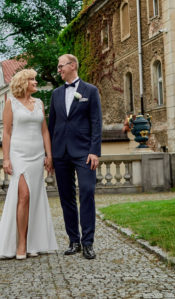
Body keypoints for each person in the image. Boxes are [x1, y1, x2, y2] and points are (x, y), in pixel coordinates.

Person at [0, 69, 58, 259]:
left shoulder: (39, 103)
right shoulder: (11, 102)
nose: (36, 82)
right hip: (18, 154)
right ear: (23, 82)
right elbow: (6, 132)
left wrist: (49, 155)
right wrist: (6, 158)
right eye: (32, 79)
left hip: (37, 155)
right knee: (24, 196)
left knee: (35, 197)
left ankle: (32, 243)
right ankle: (21, 242)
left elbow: (44, 131)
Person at [48, 54, 102, 260]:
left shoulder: (91, 91)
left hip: (84, 153)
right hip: (60, 153)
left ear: (72, 66)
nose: (58, 70)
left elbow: (96, 122)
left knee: (87, 192)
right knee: (66, 197)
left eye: (61, 66)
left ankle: (88, 243)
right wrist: (50, 155)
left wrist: (94, 151)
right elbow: (52, 125)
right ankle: (74, 241)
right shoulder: (55, 94)